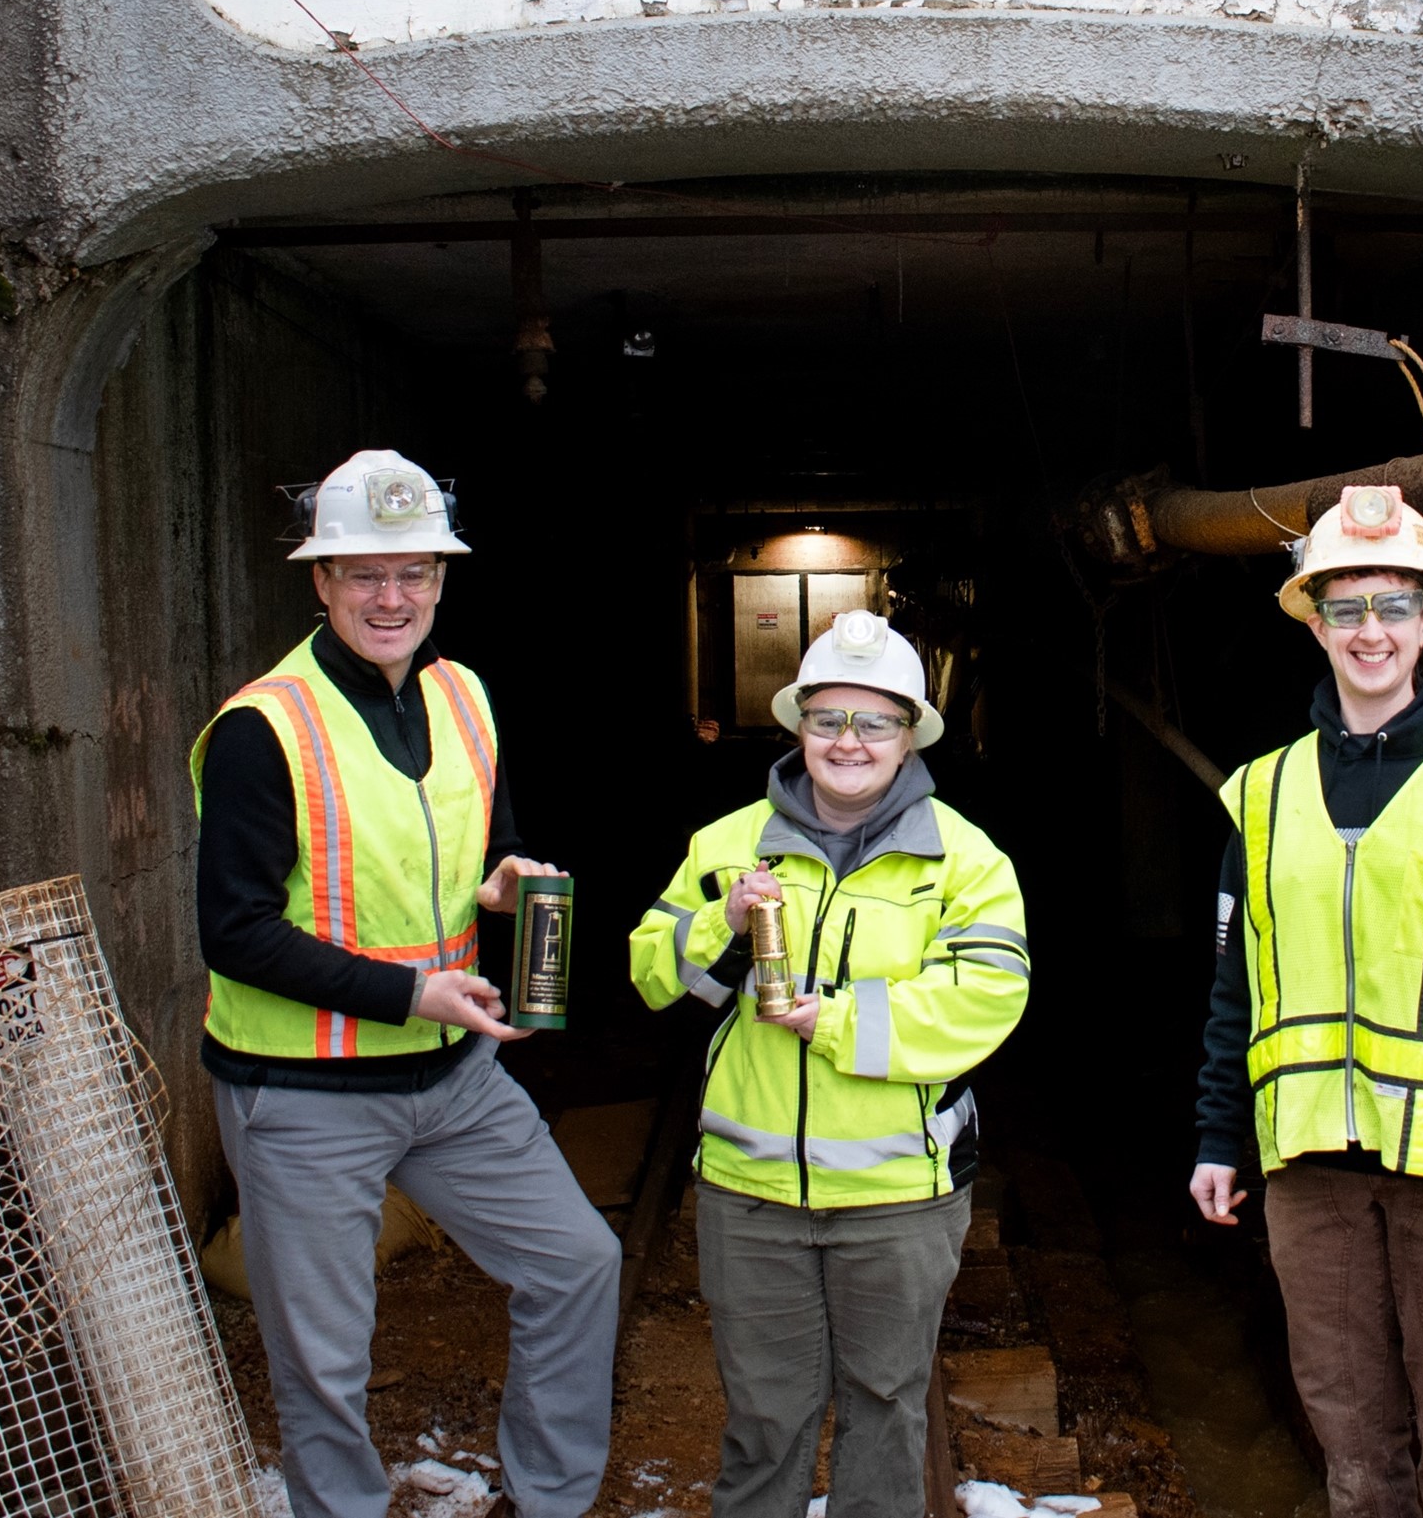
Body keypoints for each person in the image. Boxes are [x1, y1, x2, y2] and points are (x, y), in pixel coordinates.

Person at [193, 449, 618, 1518]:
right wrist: (411, 994)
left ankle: (549, 1500)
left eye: (415, 572)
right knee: (323, 1363)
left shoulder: (461, 692)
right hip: (303, 1091)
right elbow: (234, 931)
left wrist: (507, 874)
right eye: (365, 574)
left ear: (439, 578)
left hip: (451, 1080)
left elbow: (488, 835)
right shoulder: (265, 727)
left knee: (576, 1263)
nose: (393, 597)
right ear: (320, 581)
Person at [1189, 487, 1423, 1518]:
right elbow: (1236, 985)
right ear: (1311, 620)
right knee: (1354, 1452)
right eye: (1345, 607)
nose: (1370, 630)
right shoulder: (1261, 793)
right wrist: (1216, 1136)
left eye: (1393, 605)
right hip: (1308, 1169)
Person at [630, 609, 1029, 1518]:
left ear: (910, 734)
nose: (849, 742)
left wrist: (838, 1023)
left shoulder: (964, 860)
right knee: (763, 1420)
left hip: (898, 1195)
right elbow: (653, 973)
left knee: (885, 1413)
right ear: (798, 725)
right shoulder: (729, 843)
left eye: (874, 721)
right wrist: (718, 927)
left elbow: (987, 996)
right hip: (750, 1192)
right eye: (828, 720)